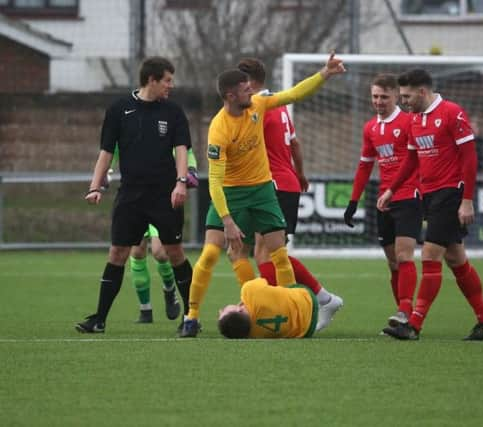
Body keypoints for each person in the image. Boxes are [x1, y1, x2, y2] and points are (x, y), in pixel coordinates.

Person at [180, 52, 346, 338]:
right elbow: (216, 182)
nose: (252, 92)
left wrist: (325, 74)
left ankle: (298, 314)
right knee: (209, 254)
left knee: (278, 256)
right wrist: (228, 220)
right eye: (246, 89)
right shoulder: (219, 129)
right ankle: (191, 317)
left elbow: (294, 94)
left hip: (263, 191)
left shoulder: (258, 104)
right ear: (231, 96)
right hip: (231, 193)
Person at [378, 68, 483, 341]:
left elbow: (469, 158)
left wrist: (467, 200)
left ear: (422, 91)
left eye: (407, 96)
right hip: (429, 195)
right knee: (456, 259)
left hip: (451, 194)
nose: (404, 101)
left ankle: (414, 325)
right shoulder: (414, 120)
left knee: (430, 256)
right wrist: (391, 190)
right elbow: (411, 160)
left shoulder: (451, 112)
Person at [76, 56, 193, 333]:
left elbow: (181, 151)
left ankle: (190, 318)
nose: (171, 86)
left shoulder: (174, 112)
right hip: (130, 195)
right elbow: (106, 152)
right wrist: (95, 187)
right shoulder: (119, 109)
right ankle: (99, 319)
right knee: (117, 252)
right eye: (167, 80)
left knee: (174, 252)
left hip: (165, 195)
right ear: (151, 80)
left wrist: (180, 183)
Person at [232, 58, 340, 332]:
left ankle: (319, 299)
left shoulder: (259, 107)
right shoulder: (277, 107)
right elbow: (295, 144)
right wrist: (300, 173)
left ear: (250, 82)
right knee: (263, 252)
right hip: (284, 182)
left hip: (274, 185)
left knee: (267, 253)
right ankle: (279, 306)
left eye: (239, 82)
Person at [343, 73, 421, 331]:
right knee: (392, 262)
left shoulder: (410, 122)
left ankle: (404, 311)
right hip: (384, 201)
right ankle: (402, 317)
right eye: (375, 96)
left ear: (396, 96)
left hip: (409, 196)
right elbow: (365, 167)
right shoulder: (370, 128)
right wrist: (354, 201)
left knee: (404, 255)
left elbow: (417, 161)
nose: (378, 101)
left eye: (384, 97)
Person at [103, 147, 199, 324]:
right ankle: (145, 309)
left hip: (161, 197)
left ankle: (169, 288)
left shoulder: (165, 121)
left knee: (160, 253)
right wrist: (105, 172)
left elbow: (184, 148)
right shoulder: (128, 122)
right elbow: (113, 149)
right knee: (137, 252)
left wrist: (190, 169)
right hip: (135, 196)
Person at [217, 277, 319, 339]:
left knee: (273, 295)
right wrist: (239, 260)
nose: (220, 310)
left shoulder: (252, 335)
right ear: (239, 310)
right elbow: (264, 278)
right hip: (308, 299)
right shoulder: (250, 291)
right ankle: (326, 297)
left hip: (306, 331)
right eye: (223, 312)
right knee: (268, 258)